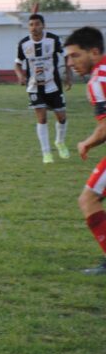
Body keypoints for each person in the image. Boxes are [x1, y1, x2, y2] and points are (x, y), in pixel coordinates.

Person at [64, 27, 106, 275]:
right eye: (68, 57)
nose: (70, 63)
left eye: (76, 56)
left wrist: (87, 143)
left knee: (88, 199)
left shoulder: (98, 80)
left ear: (94, 51)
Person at [14, 13, 72, 164]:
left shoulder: (53, 39)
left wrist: (68, 73)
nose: (34, 27)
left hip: (53, 85)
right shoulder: (23, 44)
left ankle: (59, 142)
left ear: (43, 25)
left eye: (37, 24)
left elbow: (66, 55)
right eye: (31, 24)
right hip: (34, 86)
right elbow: (18, 63)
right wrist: (20, 75)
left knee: (62, 117)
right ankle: (46, 153)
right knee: (42, 118)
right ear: (28, 27)